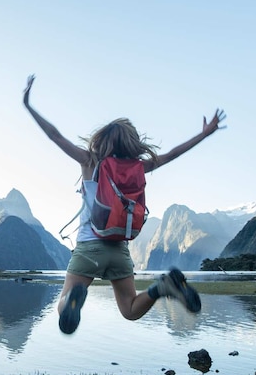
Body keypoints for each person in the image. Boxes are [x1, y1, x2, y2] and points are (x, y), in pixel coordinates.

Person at [22, 74, 226, 334]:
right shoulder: (140, 166)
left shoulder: (89, 161)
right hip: (119, 249)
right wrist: (204, 134)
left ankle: (73, 298)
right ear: (132, 142)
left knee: (63, 305)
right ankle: (161, 287)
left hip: (89, 248)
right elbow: (174, 153)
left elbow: (55, 136)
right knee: (130, 310)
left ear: (103, 139)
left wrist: (29, 105)